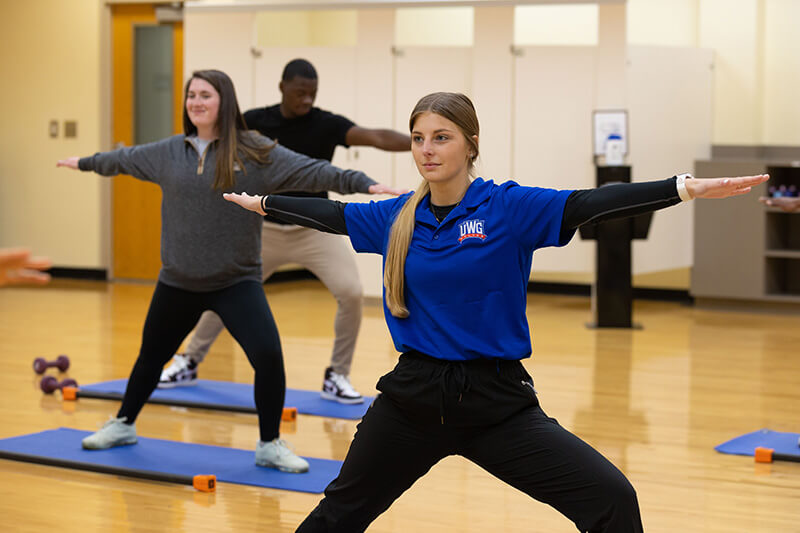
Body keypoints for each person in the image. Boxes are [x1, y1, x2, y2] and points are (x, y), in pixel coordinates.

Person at [223, 92, 769, 531]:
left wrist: (683, 189)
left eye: (441, 137)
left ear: (470, 145)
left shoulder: (506, 208)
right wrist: (266, 203)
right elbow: (337, 215)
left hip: (496, 404)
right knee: (337, 517)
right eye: (418, 139)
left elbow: (588, 204)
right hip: (413, 400)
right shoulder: (397, 218)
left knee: (611, 500)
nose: (426, 150)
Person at [56, 69, 401, 474]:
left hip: (235, 282)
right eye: (191, 95)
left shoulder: (254, 151)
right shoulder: (168, 152)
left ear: (224, 101)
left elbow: (316, 171)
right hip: (178, 282)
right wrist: (84, 162)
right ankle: (123, 424)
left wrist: (364, 183)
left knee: (269, 356)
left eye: (206, 94)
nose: (196, 101)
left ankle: (270, 444)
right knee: (151, 358)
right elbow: (123, 159)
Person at [159, 59, 411, 404]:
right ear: (282, 88)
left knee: (351, 293)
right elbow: (216, 136)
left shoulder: (325, 123)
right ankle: (188, 361)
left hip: (315, 230)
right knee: (223, 292)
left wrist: (419, 140)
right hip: (265, 230)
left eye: (312, 94)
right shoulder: (257, 121)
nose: (306, 100)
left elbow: (375, 136)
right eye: (299, 93)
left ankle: (337, 375)